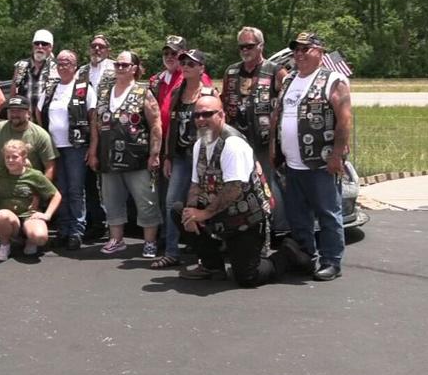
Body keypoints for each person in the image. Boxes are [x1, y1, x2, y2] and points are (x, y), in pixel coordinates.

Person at [178, 96, 310, 287]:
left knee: (248, 278)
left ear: (221, 115)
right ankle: (212, 266)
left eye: (207, 114)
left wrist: (204, 213)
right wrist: (191, 213)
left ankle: (288, 254)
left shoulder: (233, 144)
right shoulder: (201, 142)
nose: (200, 119)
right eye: (196, 115)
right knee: (178, 211)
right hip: (220, 212)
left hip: (246, 217)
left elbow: (234, 189)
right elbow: (195, 183)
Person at [270, 32, 352, 281]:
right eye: (296, 50)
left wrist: (337, 154)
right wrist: (274, 149)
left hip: (322, 163)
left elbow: (345, 120)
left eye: (306, 49)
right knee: (298, 214)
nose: (299, 54)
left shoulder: (332, 80)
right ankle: (306, 255)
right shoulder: (289, 80)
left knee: (328, 213)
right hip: (292, 164)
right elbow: (278, 116)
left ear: (320, 52)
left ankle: (331, 260)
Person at [89, 50, 163, 257]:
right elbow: (95, 125)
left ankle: (149, 242)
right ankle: (116, 239)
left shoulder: (143, 91)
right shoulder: (104, 92)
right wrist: (93, 152)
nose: (120, 68)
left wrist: (154, 154)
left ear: (134, 69)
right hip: (108, 157)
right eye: (117, 65)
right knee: (112, 200)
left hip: (137, 157)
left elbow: (156, 124)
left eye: (124, 65)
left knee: (146, 200)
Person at [0, 95, 58, 258]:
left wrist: (38, 193)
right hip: (1, 180)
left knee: (40, 236)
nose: (14, 114)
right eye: (11, 111)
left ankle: (26, 236)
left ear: (28, 113)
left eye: (19, 111)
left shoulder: (39, 134)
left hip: (28, 186)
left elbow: (50, 166)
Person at [155, 49, 218, 269]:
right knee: (172, 201)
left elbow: (214, 126)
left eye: (192, 63)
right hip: (180, 156)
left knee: (203, 203)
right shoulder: (177, 92)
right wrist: (167, 157)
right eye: (184, 63)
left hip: (202, 157)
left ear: (202, 67)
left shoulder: (209, 93)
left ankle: (205, 254)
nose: (186, 66)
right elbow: (171, 126)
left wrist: (209, 158)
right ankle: (172, 251)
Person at [221, 26, 289, 229]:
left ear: (261, 46)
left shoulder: (275, 71)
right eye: (241, 46)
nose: (244, 50)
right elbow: (224, 102)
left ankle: (278, 229)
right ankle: (247, 229)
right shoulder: (231, 71)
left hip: (264, 142)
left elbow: (288, 101)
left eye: (249, 46)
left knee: (268, 186)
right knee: (237, 185)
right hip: (237, 142)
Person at [36, 50, 96, 250]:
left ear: (75, 66)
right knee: (58, 190)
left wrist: (93, 147)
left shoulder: (84, 88)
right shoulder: (51, 88)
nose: (63, 67)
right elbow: (38, 111)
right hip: (54, 148)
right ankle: (62, 228)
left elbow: (93, 119)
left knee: (75, 190)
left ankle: (76, 231)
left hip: (76, 147)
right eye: (60, 63)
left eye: (67, 63)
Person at [0, 140, 63, 261]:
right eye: (7, 157)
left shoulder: (34, 175)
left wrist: (47, 215)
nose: (10, 160)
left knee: (40, 237)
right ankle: (5, 245)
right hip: (11, 219)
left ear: (23, 157)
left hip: (29, 216)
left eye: (14, 157)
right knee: (1, 215)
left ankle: (29, 239)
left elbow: (56, 195)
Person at [76, 34, 115, 241]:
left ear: (108, 50)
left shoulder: (115, 68)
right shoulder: (81, 71)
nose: (97, 50)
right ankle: (96, 220)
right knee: (90, 178)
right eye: (93, 46)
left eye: (101, 46)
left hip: (110, 129)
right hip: (85, 129)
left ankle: (113, 222)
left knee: (108, 179)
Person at [10, 29, 57, 116]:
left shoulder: (57, 68)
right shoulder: (20, 66)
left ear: (51, 47)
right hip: (25, 121)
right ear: (32, 46)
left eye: (44, 44)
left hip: (48, 122)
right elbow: (13, 95)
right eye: (37, 43)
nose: (40, 46)